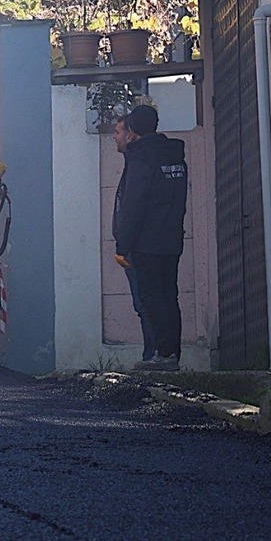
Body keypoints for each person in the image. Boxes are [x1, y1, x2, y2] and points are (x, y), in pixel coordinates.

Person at [112, 103, 188, 371]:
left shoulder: (142, 158)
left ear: (133, 130)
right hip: (171, 239)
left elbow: (134, 205)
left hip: (147, 242)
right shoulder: (174, 156)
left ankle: (164, 354)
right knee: (169, 296)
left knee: (152, 296)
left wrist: (123, 244)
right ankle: (172, 354)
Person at [111, 110, 158, 365]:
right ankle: (153, 352)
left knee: (146, 302)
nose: (114, 137)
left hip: (139, 246)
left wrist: (124, 243)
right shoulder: (134, 161)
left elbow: (132, 207)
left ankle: (153, 353)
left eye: (118, 132)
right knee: (145, 302)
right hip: (138, 244)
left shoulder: (139, 163)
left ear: (130, 135)